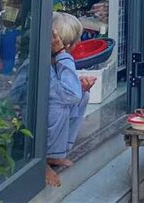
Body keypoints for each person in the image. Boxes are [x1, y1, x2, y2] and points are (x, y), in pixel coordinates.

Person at [45, 12, 96, 187]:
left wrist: (78, 85)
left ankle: (55, 153)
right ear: (65, 45)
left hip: (44, 114)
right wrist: (62, 54)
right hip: (25, 124)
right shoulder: (47, 62)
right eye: (76, 41)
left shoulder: (54, 61)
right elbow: (69, 95)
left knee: (83, 95)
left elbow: (69, 93)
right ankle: (40, 160)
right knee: (61, 106)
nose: (79, 43)